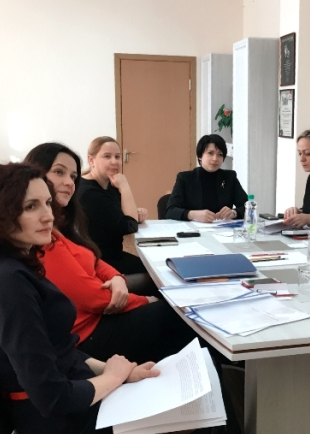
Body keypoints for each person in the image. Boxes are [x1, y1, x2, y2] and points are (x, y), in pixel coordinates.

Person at [0, 163, 160, 434]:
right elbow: (52, 398)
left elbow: (59, 351)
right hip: (62, 428)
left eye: (47, 203)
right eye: (30, 206)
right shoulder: (9, 284)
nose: (48, 215)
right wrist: (113, 378)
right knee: (186, 420)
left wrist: (118, 372)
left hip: (71, 403)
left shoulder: (8, 266)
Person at [24, 143, 196, 365]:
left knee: (174, 303)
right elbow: (95, 297)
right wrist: (145, 300)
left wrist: (116, 277)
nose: (69, 182)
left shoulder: (60, 225)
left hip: (101, 304)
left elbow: (94, 259)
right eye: (59, 172)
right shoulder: (43, 235)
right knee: (182, 314)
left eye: (73, 176)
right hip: (88, 333)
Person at [77, 136, 149, 275]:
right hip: (100, 260)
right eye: (107, 156)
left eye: (117, 156)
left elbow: (120, 215)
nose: (114, 162)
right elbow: (130, 226)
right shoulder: (89, 193)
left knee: (153, 265)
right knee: (155, 272)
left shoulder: (108, 184)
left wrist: (135, 212)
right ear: (91, 160)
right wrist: (125, 185)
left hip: (109, 254)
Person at [165, 134, 248, 223]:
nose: (215, 158)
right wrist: (193, 214)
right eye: (210, 153)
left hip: (222, 229)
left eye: (220, 154)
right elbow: (170, 211)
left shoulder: (229, 177)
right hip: (194, 229)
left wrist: (234, 213)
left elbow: (248, 206)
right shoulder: (185, 178)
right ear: (200, 156)